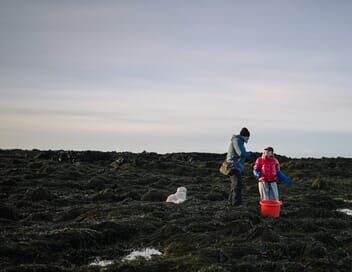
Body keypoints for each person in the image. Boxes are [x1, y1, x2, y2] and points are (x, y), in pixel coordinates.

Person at [226, 127, 253, 206]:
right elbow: (241, 153)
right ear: (244, 136)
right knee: (237, 185)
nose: (248, 139)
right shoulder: (237, 140)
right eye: (248, 137)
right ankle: (236, 203)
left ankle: (231, 202)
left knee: (235, 185)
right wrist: (250, 154)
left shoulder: (237, 140)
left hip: (234, 165)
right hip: (233, 166)